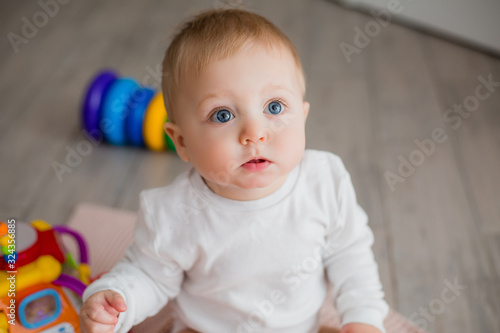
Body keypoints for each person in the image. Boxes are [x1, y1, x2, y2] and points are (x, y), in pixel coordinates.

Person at [79, 7, 389, 333]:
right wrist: (116, 299)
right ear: (181, 141)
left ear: (302, 115)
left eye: (274, 107)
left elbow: (351, 258)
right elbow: (148, 276)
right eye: (223, 115)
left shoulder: (325, 182)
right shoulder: (173, 213)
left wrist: (363, 319)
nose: (254, 133)